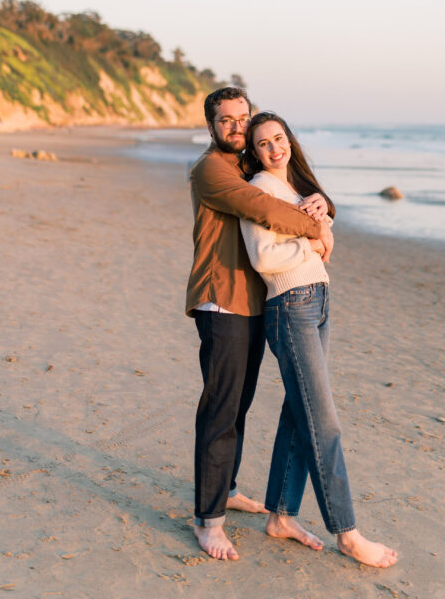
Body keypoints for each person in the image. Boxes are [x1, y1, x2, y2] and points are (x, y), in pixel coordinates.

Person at [240, 111, 398, 569]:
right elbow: (263, 257)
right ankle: (347, 533)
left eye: (279, 138)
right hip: (291, 305)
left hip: (317, 298)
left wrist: (321, 221)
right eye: (264, 143)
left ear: (290, 140)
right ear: (254, 152)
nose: (274, 148)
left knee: (299, 410)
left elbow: (326, 240)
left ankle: (281, 517)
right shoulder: (261, 189)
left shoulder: (294, 189)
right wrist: (315, 242)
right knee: (323, 422)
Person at [186, 87, 334, 561]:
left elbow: (290, 192)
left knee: (240, 404)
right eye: (225, 120)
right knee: (220, 410)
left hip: (252, 302)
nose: (234, 127)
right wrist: (318, 228)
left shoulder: (246, 167)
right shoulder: (212, 169)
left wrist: (323, 209)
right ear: (210, 125)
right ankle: (208, 520)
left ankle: (226, 488)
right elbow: (263, 209)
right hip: (221, 302)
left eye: (240, 118)